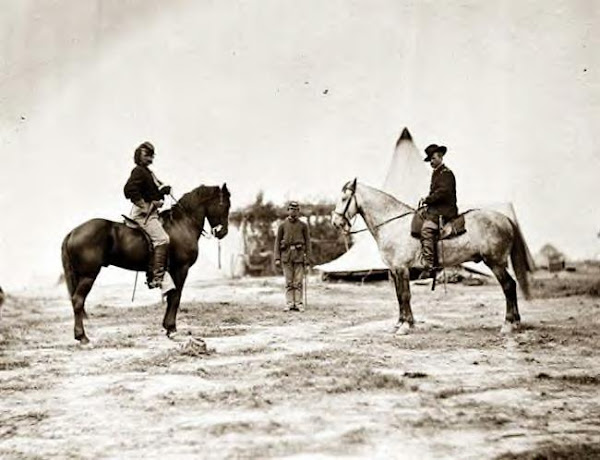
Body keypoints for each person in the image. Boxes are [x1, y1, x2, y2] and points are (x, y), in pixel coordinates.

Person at [123, 141, 172, 289]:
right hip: (144, 214)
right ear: (138, 156)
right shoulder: (138, 170)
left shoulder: (148, 172)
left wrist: (162, 191)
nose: (150, 158)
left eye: (151, 155)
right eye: (146, 155)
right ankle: (156, 278)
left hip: (152, 211)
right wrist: (144, 206)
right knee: (162, 239)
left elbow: (152, 190)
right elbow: (129, 190)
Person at [419, 143, 458, 278]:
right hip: (437, 208)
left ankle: (430, 264)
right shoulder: (437, 173)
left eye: (433, 158)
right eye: (429, 159)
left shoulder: (446, 173)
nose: (431, 161)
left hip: (445, 210)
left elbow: (443, 192)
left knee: (426, 229)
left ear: (440, 157)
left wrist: (427, 199)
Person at [274, 201, 312, 312]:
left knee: (298, 281)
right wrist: (277, 258)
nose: (293, 211)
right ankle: (289, 303)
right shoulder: (282, 225)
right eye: (291, 209)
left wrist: (308, 259)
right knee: (288, 282)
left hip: (299, 256)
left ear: (298, 211)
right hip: (286, 256)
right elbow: (277, 242)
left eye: (295, 209)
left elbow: (308, 243)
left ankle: (299, 303)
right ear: (288, 210)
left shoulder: (303, 226)